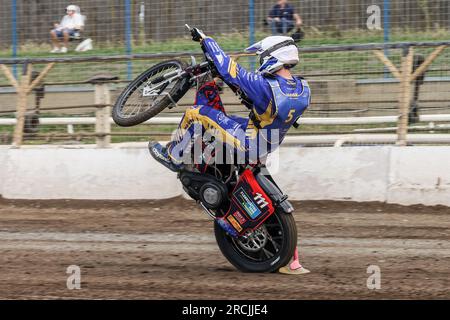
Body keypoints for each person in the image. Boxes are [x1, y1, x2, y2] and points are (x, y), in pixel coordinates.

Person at [149, 28, 311, 173]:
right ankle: (202, 156)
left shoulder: (264, 86)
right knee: (227, 118)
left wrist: (206, 40)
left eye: (262, 57)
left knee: (194, 114)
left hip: (249, 144)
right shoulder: (303, 89)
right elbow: (266, 108)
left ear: (273, 56)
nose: (261, 62)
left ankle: (173, 157)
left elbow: (230, 69)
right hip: (266, 142)